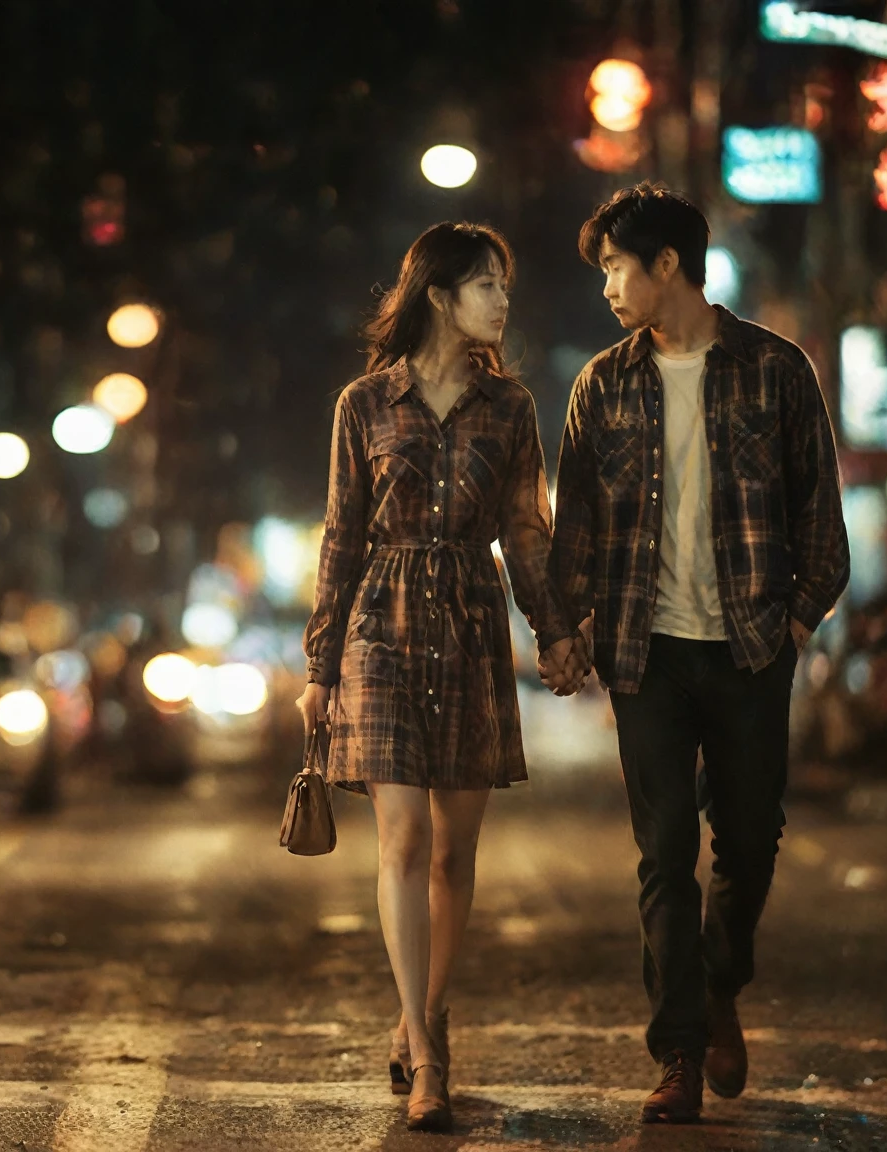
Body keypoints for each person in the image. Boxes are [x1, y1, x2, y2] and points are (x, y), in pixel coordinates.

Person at [541, 184, 849, 1124]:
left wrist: (793, 622)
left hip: (753, 648)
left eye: (614, 268)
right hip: (648, 654)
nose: (606, 288)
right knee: (664, 850)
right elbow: (578, 529)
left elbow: (821, 525)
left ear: (665, 264)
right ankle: (676, 1051)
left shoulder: (776, 369)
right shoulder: (603, 382)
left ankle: (720, 983)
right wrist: (566, 631)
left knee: (751, 838)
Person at [297, 222, 567, 1133]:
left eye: (504, 285)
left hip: (469, 620)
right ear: (440, 295)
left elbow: (526, 532)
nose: (502, 301)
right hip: (381, 622)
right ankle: (428, 1054)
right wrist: (320, 664)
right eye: (487, 285)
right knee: (403, 836)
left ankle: (427, 1010)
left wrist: (555, 632)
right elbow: (342, 536)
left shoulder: (512, 407)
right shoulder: (364, 405)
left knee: (456, 852)